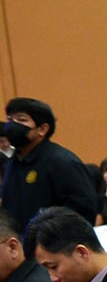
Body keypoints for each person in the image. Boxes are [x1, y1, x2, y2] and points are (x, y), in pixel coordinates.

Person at [1, 98, 97, 230]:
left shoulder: (62, 162)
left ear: (42, 129)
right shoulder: (11, 164)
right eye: (9, 120)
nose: (12, 125)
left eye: (21, 119)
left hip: (54, 240)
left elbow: (82, 212)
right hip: (18, 240)